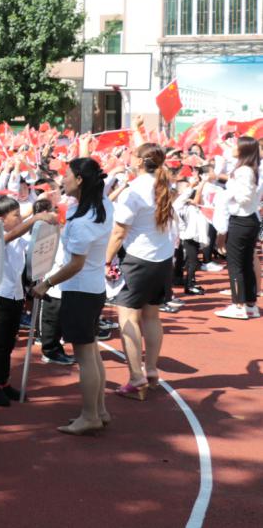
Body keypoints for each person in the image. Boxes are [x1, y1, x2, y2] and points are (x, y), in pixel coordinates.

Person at [32, 158, 113, 433]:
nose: (61, 179)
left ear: (79, 180)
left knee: (86, 357)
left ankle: (90, 415)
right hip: (93, 288)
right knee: (92, 352)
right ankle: (99, 410)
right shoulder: (101, 206)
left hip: (79, 291)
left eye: (65, 175)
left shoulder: (83, 221)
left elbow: (75, 263)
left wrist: (47, 283)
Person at [107, 144, 176, 397]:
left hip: (138, 259)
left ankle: (136, 377)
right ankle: (151, 369)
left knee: (127, 318)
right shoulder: (164, 184)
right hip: (162, 258)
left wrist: (107, 260)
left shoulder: (134, 190)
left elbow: (119, 232)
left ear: (138, 161)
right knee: (151, 316)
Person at [0, 196, 57, 407]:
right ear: (0, 219)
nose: (20, 218)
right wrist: (34, 219)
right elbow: (10, 237)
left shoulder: (18, 236)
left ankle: (3, 382)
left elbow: (36, 243)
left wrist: (49, 228)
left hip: (15, 295)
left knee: (8, 343)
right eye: (16, 215)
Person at [216, 136, 260, 320]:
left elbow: (244, 197)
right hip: (249, 220)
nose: (233, 147)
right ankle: (250, 305)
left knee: (235, 264)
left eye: (236, 145)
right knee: (245, 263)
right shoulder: (250, 168)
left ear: (243, 150)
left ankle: (238, 305)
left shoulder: (243, 171)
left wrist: (227, 196)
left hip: (241, 220)